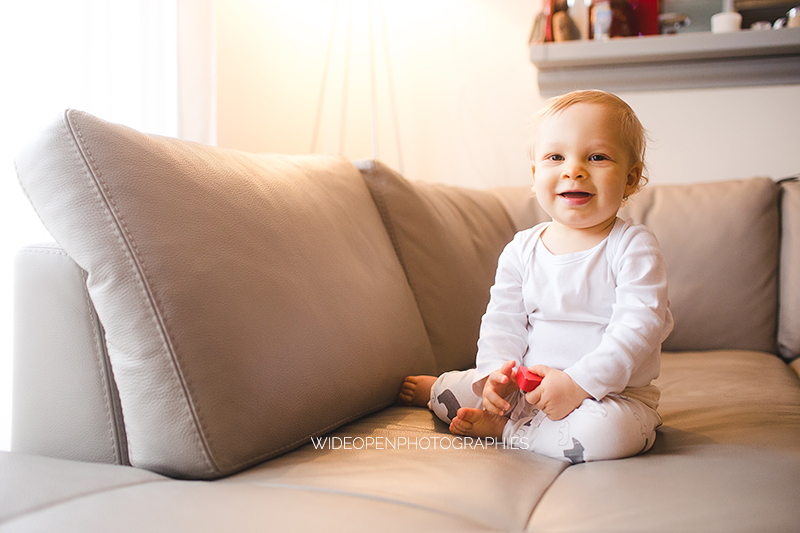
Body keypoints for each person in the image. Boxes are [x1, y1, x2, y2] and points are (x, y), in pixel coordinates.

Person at [398, 90, 673, 464]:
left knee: (606, 435)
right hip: (526, 391)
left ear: (630, 178)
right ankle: (439, 390)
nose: (573, 170)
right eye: (555, 157)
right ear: (534, 174)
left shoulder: (632, 246)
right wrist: (496, 377)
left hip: (608, 396)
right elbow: (502, 323)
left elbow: (639, 328)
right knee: (466, 393)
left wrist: (578, 384)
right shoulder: (521, 249)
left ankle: (506, 431)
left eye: (596, 157)